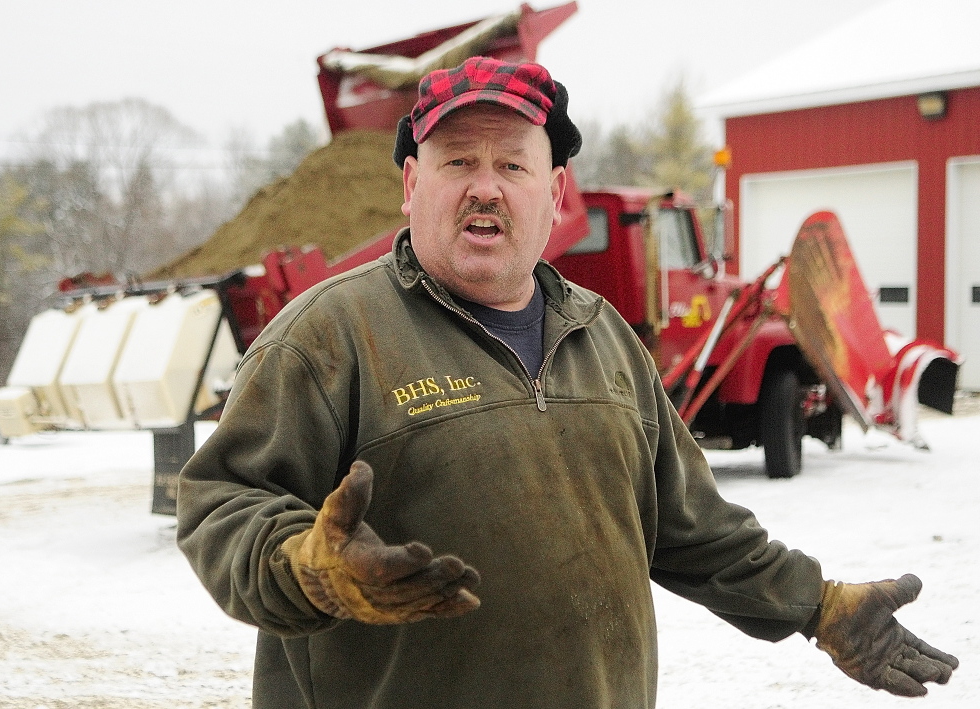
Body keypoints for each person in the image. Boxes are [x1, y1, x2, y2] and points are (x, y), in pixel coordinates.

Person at [176, 56, 958, 708]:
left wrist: (818, 605)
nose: (485, 186)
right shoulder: (329, 337)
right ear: (411, 186)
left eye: (512, 163)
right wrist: (307, 567)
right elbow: (222, 502)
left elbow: (692, 527)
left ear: (552, 196)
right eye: (458, 162)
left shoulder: (605, 336)